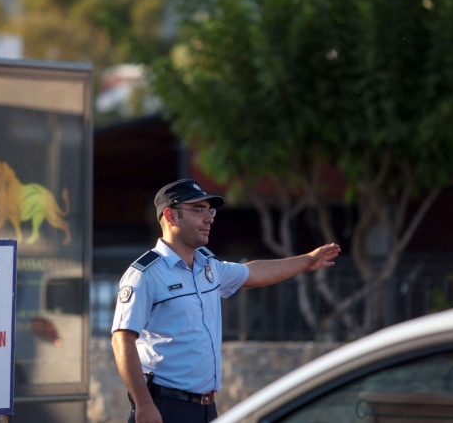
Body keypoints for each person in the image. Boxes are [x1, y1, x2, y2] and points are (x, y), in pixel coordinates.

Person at [111, 178, 342, 423]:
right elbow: (122, 339)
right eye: (198, 210)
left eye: (209, 211)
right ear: (171, 216)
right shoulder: (145, 274)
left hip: (205, 408)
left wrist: (307, 260)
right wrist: (143, 404)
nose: (209, 218)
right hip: (165, 406)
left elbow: (254, 273)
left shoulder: (208, 265)